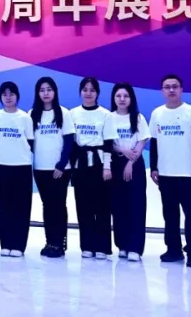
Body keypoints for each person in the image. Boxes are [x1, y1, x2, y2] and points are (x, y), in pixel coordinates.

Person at [149, 74, 191, 268]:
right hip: (166, 175)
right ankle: (173, 250)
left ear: (181, 89)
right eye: (167, 87)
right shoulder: (157, 113)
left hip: (188, 175)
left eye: (175, 86)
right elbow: (154, 143)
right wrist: (154, 167)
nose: (171, 90)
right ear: (162, 91)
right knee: (170, 216)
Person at [70, 77, 117, 260]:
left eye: (92, 90)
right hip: (80, 164)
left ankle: (102, 247)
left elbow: (108, 143)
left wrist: (107, 167)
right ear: (80, 92)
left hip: (99, 164)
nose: (88, 93)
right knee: (83, 206)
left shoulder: (106, 115)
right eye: (85, 89)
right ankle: (87, 246)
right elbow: (71, 142)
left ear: (97, 93)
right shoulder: (73, 114)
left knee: (102, 206)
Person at [31, 76, 75, 258]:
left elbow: (69, 141)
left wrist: (61, 165)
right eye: (42, 90)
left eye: (49, 89)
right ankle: (49, 242)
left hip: (60, 169)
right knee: (47, 205)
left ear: (55, 92)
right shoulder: (32, 114)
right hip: (40, 168)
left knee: (58, 205)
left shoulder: (64, 113)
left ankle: (59, 243)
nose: (46, 93)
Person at [0, 81, 34, 257]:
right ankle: (5, 243)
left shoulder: (25, 118)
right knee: (4, 206)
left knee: (21, 206)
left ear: (17, 96)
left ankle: (19, 245)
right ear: (0, 97)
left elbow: (30, 141)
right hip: (1, 165)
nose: (8, 98)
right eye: (4, 94)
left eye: (11, 94)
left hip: (22, 166)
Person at [110, 82, 151, 262]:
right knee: (118, 205)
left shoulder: (138, 118)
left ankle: (135, 247)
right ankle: (123, 245)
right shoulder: (109, 118)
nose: (122, 99)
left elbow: (142, 141)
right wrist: (122, 150)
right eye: (118, 96)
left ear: (131, 98)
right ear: (113, 98)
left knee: (136, 205)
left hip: (134, 164)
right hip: (115, 163)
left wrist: (130, 162)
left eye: (126, 96)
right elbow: (108, 142)